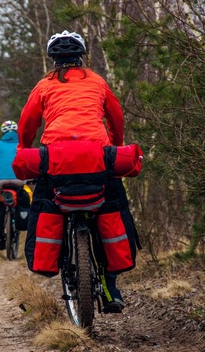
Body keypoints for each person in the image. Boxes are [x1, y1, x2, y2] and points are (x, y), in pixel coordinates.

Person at [17, 30, 140, 313]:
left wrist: (25, 147)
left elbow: (27, 122)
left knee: (48, 204)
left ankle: (58, 260)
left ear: (54, 60)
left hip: (56, 160)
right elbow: (116, 115)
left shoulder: (44, 85)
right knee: (111, 206)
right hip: (98, 157)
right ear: (81, 57)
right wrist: (115, 146)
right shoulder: (97, 81)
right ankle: (110, 286)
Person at [0, 121, 30, 250]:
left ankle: (0, 238)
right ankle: (19, 223)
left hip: (1, 181)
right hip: (19, 180)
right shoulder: (22, 145)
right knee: (21, 198)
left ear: (3, 132)